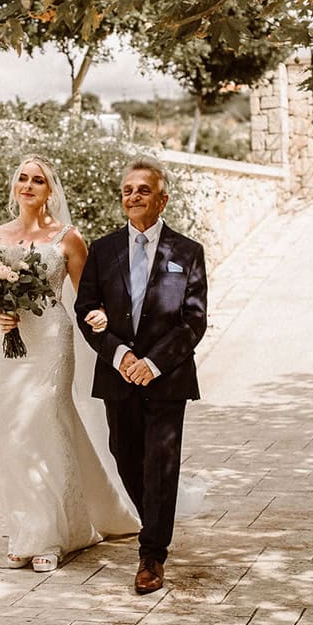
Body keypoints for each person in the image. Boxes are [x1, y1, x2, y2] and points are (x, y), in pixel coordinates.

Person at [0, 155, 139, 573]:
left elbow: (88, 298)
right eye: (23, 178)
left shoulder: (68, 238)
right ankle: (26, 529)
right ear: (14, 186)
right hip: (2, 345)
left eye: (38, 180)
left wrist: (107, 322)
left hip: (50, 342)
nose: (28, 186)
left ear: (51, 190)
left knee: (45, 427)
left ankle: (53, 536)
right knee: (6, 433)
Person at [75, 155, 208, 593]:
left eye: (143, 190)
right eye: (128, 190)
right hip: (118, 376)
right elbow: (86, 309)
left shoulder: (187, 252)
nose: (134, 196)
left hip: (167, 379)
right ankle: (153, 524)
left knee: (161, 465)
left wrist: (151, 364)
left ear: (162, 199)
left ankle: (152, 554)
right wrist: (120, 356)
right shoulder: (103, 250)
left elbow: (194, 320)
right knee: (125, 456)